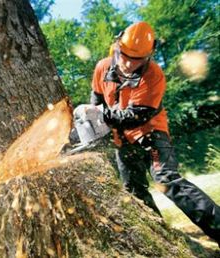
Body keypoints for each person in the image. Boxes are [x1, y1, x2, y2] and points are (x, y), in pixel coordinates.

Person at [89, 21, 220, 245]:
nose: (129, 63)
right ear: (118, 47)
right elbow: (97, 100)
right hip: (122, 140)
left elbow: (136, 116)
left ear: (148, 56)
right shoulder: (102, 67)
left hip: (151, 135)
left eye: (136, 59)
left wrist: (103, 117)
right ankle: (163, 241)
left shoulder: (154, 75)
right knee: (134, 192)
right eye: (125, 56)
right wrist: (92, 120)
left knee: (167, 180)